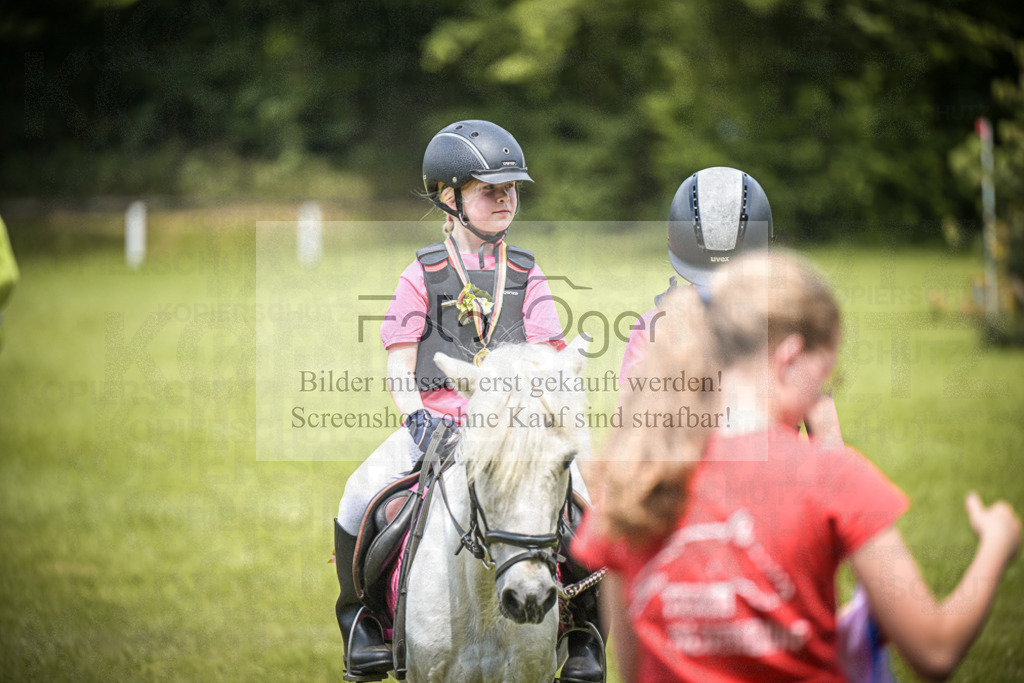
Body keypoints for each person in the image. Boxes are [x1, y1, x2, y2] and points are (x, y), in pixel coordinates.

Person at [573, 251, 1021, 682]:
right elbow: (935, 650)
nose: (823, 391)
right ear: (788, 358)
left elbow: (636, 670)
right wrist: (997, 543)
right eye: (828, 378)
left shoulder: (636, 486)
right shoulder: (833, 478)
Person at [333, 119, 604, 682]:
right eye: (490, 190)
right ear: (450, 198)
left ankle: (583, 633)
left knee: (586, 502)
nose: (505, 199)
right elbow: (400, 365)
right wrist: (417, 420)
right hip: (438, 422)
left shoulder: (526, 273)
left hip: (514, 424)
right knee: (359, 493)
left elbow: (547, 358)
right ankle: (361, 621)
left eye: (512, 189)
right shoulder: (422, 273)